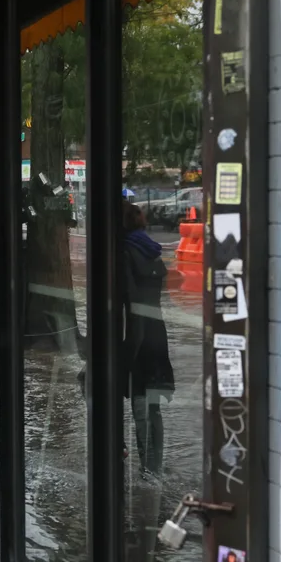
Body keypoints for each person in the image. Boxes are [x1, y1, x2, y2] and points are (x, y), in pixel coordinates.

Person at [122, 200, 175, 476]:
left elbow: (131, 305)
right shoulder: (151, 251)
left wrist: (127, 356)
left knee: (139, 407)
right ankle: (155, 467)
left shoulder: (125, 253)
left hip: (136, 336)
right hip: (157, 334)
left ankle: (146, 470)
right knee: (152, 406)